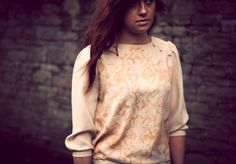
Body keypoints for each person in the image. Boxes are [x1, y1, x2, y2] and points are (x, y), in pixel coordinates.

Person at [65, 0, 189, 163]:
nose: (144, 11)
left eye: (149, 2)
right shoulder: (93, 57)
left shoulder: (167, 53)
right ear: (116, 8)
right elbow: (81, 139)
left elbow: (176, 123)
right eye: (133, 3)